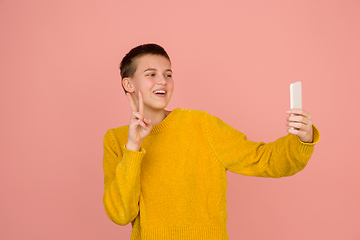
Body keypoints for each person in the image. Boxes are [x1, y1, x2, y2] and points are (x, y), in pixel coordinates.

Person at [102, 43, 320, 240]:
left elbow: (263, 160)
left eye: (168, 74)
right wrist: (133, 146)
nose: (163, 81)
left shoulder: (201, 124)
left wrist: (303, 137)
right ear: (128, 83)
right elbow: (120, 214)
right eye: (151, 74)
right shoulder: (116, 139)